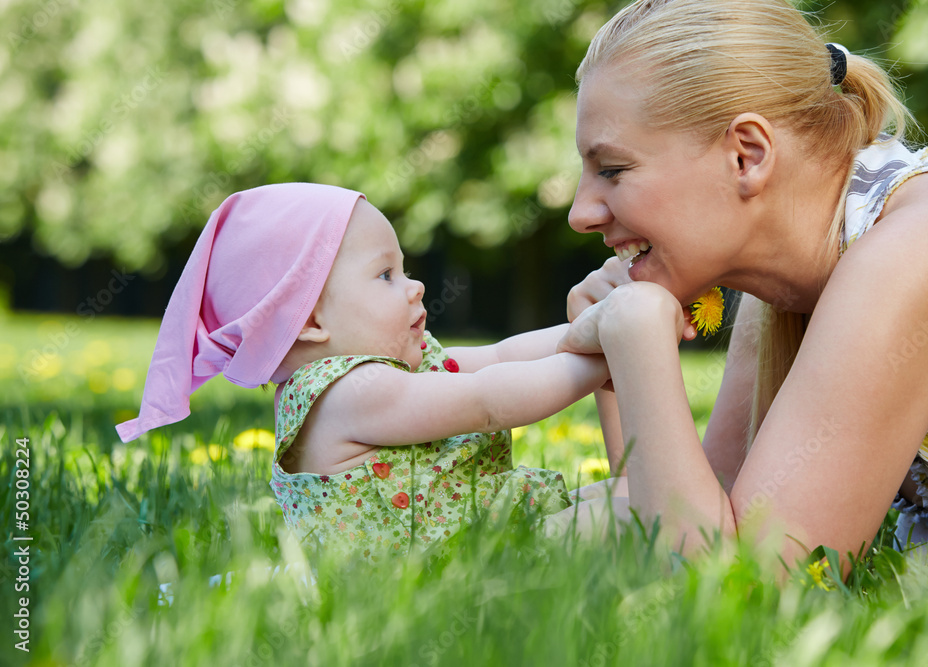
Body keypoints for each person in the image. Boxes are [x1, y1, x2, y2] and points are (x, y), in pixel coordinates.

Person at [559, 0, 928, 570]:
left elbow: (749, 584)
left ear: (747, 155)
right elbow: (689, 520)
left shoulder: (909, 256)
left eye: (612, 170)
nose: (580, 213)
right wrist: (620, 373)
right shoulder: (790, 284)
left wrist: (637, 336)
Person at [116, 182, 627, 562]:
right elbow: (487, 400)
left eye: (402, 268)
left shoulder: (395, 367)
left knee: (619, 498)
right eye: (386, 275)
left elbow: (499, 358)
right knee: (630, 516)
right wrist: (604, 355)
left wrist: (585, 331)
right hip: (439, 566)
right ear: (310, 320)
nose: (415, 286)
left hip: (473, 533)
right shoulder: (346, 393)